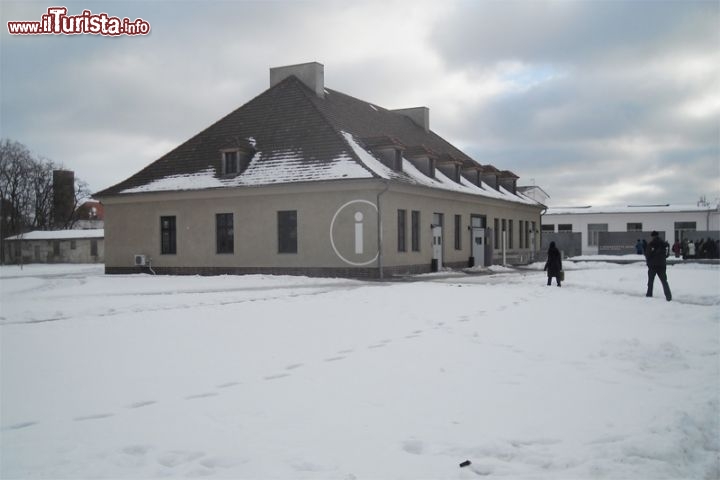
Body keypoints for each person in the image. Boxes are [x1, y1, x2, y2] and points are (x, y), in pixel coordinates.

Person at [645, 231, 671, 301]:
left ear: (652, 236)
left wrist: (648, 263)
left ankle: (649, 294)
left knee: (650, 281)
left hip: (652, 266)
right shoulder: (664, 244)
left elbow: (648, 254)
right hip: (662, 266)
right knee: (664, 281)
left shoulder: (651, 244)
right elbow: (666, 255)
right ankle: (668, 297)